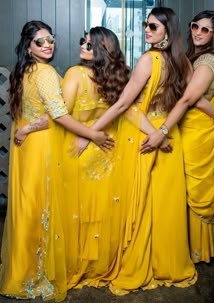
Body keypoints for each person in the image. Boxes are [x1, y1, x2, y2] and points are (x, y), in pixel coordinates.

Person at [84, 7, 198, 294]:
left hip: (145, 135)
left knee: (147, 201)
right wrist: (163, 133)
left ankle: (144, 262)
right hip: (170, 133)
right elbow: (185, 103)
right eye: (146, 25)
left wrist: (91, 132)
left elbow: (124, 105)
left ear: (167, 32)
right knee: (165, 203)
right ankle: (168, 264)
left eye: (153, 27)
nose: (147, 30)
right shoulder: (184, 61)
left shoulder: (148, 60)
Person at [0, 20, 110, 302]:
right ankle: (35, 273)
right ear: (28, 46)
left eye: (51, 39)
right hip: (41, 148)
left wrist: (25, 129)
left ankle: (21, 270)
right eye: (40, 41)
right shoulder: (46, 73)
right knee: (40, 207)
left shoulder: (25, 70)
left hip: (25, 147)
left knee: (28, 207)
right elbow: (59, 116)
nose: (48, 44)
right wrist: (93, 135)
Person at [141, 10, 214, 263]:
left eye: (206, 30)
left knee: (194, 188)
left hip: (198, 134)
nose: (198, 33)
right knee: (181, 187)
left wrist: (162, 130)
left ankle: (196, 249)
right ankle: (182, 245)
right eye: (195, 26)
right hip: (189, 128)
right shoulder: (191, 56)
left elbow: (191, 99)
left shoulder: (207, 62)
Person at [60, 27, 130, 288]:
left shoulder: (74, 74)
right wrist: (95, 135)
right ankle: (97, 262)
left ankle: (79, 263)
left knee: (78, 210)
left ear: (101, 50)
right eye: (83, 41)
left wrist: (87, 135)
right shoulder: (116, 77)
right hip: (108, 150)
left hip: (79, 148)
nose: (83, 47)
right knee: (100, 210)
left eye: (89, 45)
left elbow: (61, 115)